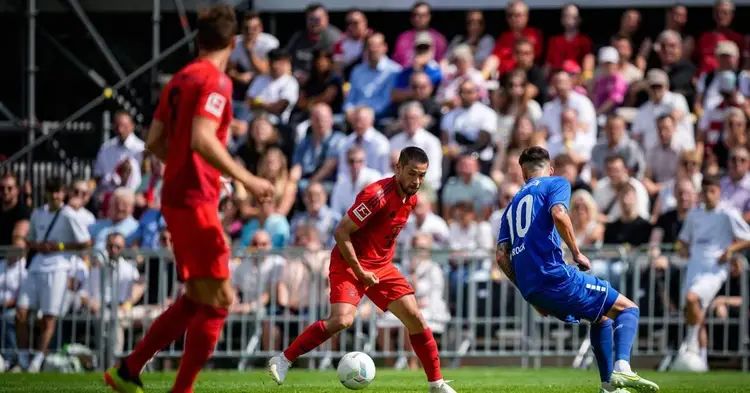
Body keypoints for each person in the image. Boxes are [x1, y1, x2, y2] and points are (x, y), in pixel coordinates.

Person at [104, 6, 275, 393]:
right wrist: (247, 177)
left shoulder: (179, 79)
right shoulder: (215, 81)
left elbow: (154, 143)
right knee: (218, 301)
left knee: (198, 298)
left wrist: (198, 171)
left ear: (198, 39)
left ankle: (128, 370)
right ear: (233, 43)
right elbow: (202, 137)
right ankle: (180, 390)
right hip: (196, 201)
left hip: (177, 197)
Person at [267, 147, 457, 393]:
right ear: (398, 168)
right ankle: (283, 359)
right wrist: (359, 271)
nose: (417, 181)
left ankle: (436, 384)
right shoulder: (376, 195)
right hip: (349, 263)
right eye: (412, 173)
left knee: (416, 319)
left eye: (422, 175)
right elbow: (341, 232)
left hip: (382, 267)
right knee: (342, 320)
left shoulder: (411, 198)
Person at [495, 146, 659, 393]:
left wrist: (528, 293)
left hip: (531, 287)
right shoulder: (555, 183)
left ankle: (609, 387)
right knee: (628, 309)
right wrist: (576, 252)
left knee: (600, 316)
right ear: (550, 169)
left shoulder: (511, 206)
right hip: (554, 275)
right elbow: (559, 213)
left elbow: (501, 256)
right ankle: (623, 367)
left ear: (524, 173)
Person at [676, 175, 750, 371]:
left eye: (713, 191)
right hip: (694, 267)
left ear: (719, 192)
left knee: (692, 299)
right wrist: (681, 248)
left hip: (715, 270)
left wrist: (731, 250)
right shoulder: (694, 214)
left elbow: (748, 237)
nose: (708, 195)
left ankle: (690, 344)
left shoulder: (728, 213)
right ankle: (702, 361)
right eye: (705, 191)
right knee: (695, 313)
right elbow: (683, 240)